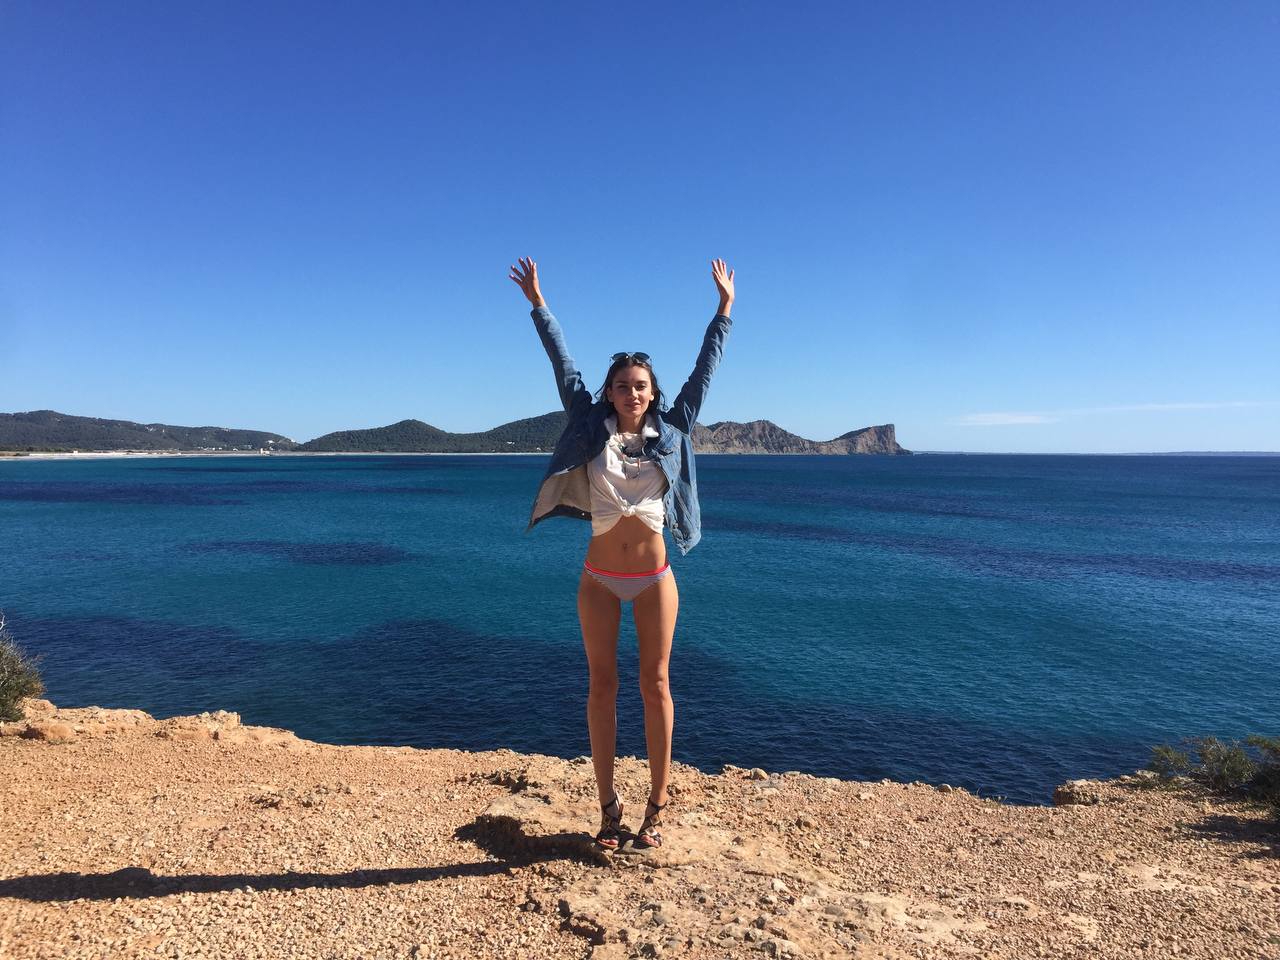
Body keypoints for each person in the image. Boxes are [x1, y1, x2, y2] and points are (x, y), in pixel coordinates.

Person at [508, 256, 734, 850]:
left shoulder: (675, 430)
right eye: (622, 386)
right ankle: (608, 810)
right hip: (599, 578)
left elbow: (704, 372)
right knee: (601, 688)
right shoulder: (589, 426)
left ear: (652, 392)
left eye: (640, 386)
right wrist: (539, 304)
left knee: (656, 686)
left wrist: (723, 311)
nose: (631, 393)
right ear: (608, 393)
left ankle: (656, 806)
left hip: (655, 577)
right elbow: (563, 364)